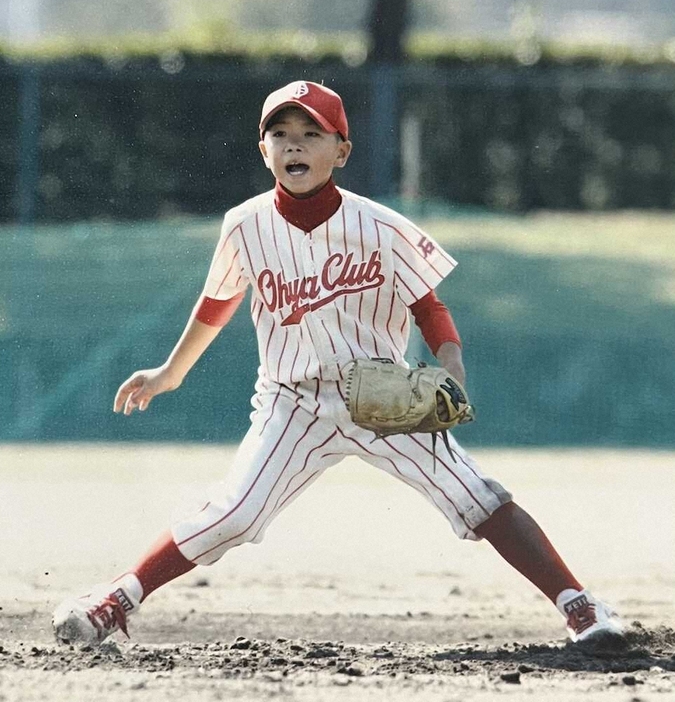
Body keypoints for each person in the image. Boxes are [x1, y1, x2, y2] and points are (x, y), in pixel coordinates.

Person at [53, 80, 623, 647]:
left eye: (311, 134)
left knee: (477, 498)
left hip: (380, 395)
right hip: (291, 400)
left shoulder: (381, 225)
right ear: (263, 150)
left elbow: (429, 306)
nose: (294, 145)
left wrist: (451, 365)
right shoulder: (244, 224)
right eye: (280, 134)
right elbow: (218, 301)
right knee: (236, 514)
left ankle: (581, 606)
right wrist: (171, 372)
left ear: (341, 152)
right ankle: (114, 600)